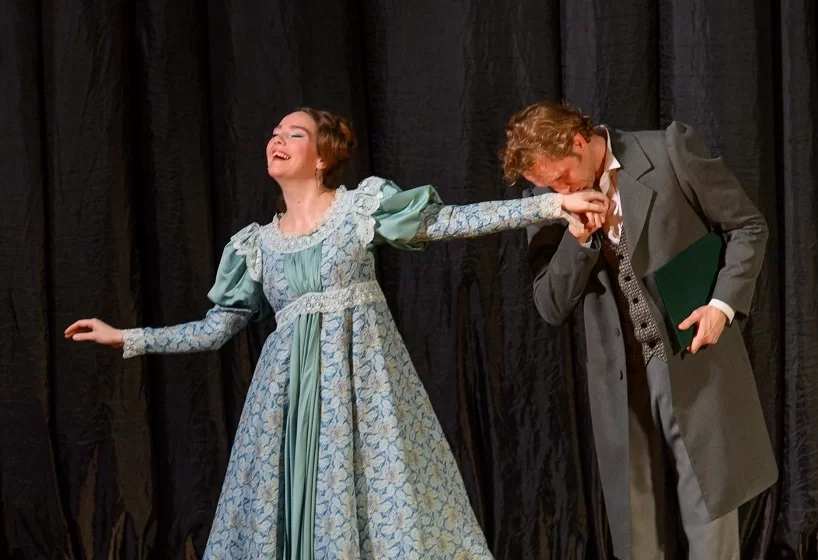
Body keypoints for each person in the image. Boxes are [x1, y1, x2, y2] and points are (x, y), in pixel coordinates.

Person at [66, 108, 609, 560]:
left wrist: (550, 204)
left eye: (294, 134)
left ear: (322, 157)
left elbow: (444, 222)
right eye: (274, 134)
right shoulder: (255, 245)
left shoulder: (359, 208)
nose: (277, 140)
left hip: (360, 394)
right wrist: (128, 337)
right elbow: (216, 329)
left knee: (381, 512)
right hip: (285, 405)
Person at [501, 102, 777, 559]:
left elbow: (748, 227)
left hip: (692, 364)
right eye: (549, 186)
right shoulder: (549, 202)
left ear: (578, 141)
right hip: (619, 384)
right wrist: (577, 239)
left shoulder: (669, 152)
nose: (560, 190)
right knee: (640, 539)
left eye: (563, 177)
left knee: (710, 530)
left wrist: (721, 307)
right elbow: (550, 305)